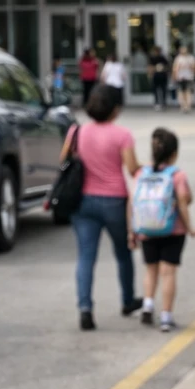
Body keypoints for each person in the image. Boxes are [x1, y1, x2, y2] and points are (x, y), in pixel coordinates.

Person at [61, 83, 141, 330]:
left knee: (86, 256)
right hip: (115, 201)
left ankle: (85, 308)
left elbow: (64, 160)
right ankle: (127, 300)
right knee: (123, 253)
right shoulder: (122, 135)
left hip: (82, 202)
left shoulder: (76, 131)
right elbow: (132, 169)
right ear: (115, 110)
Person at [130, 127, 195, 332]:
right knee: (168, 273)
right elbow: (184, 203)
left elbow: (132, 202)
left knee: (150, 269)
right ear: (174, 153)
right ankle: (166, 317)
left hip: (146, 229)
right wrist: (190, 228)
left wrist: (131, 230)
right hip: (172, 231)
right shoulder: (177, 175)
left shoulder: (141, 173)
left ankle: (148, 305)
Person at [172, 45, 195, 112]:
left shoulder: (191, 58)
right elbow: (175, 68)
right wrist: (174, 76)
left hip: (189, 77)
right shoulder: (178, 58)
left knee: (188, 92)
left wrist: (191, 69)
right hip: (180, 78)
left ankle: (188, 106)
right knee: (181, 92)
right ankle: (183, 105)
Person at [148, 45, 170, 111]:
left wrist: (162, 68)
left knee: (163, 90)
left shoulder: (163, 58)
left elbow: (167, 67)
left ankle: (163, 103)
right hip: (156, 75)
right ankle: (157, 103)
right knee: (155, 90)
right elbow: (150, 67)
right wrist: (152, 72)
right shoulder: (152, 58)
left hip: (162, 76)